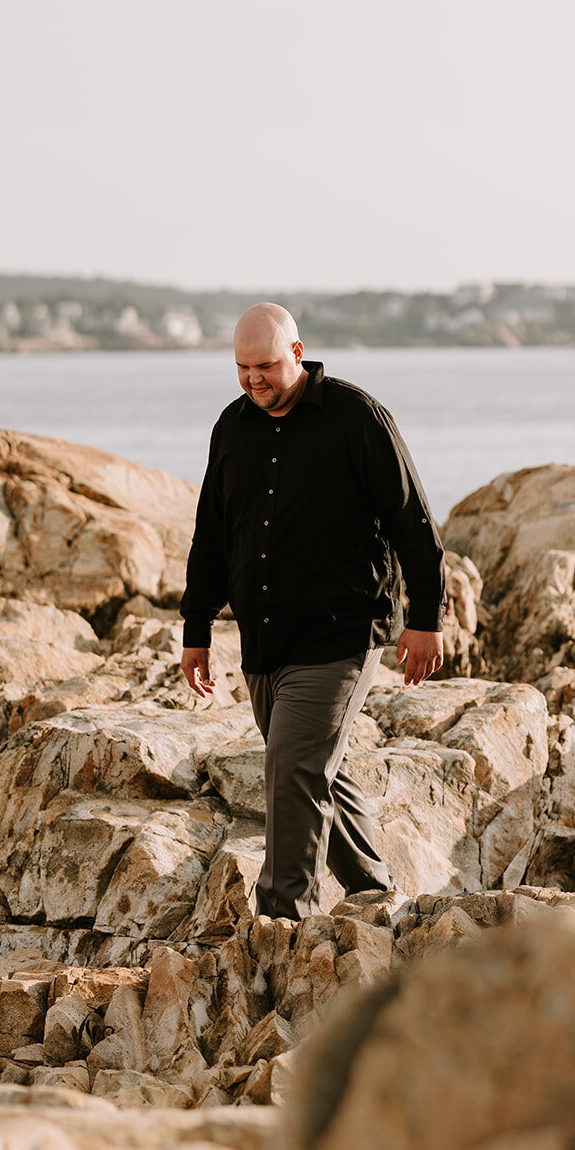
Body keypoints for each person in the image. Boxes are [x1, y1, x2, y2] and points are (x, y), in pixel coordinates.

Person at [179, 303, 446, 920]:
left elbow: (413, 521)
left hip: (340, 636)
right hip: (265, 640)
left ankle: (280, 919)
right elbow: (211, 534)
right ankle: (377, 896)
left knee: (292, 764)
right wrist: (196, 628)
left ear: (297, 354)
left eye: (266, 365)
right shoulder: (232, 426)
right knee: (312, 766)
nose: (254, 380)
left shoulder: (357, 418)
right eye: (243, 368)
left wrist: (426, 618)